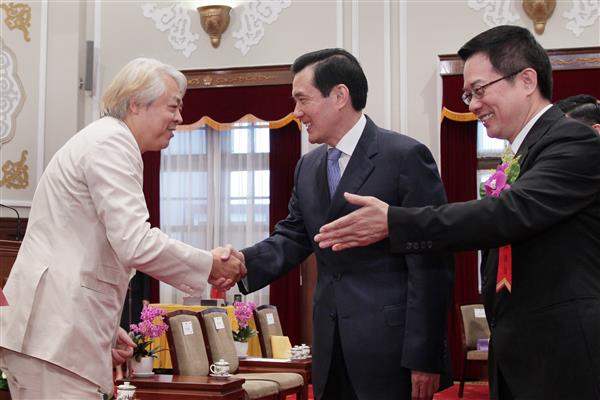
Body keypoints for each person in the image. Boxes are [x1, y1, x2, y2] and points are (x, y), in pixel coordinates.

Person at [315, 26, 600, 400]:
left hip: (565, 356)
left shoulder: (574, 141)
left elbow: (507, 214)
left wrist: (394, 221)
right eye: (468, 94)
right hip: (525, 355)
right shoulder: (525, 151)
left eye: (479, 90)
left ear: (527, 80)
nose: (472, 105)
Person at [0, 58, 246, 399]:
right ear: (135, 104)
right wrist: (210, 264)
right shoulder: (112, 144)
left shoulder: (106, 140)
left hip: (57, 332)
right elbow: (135, 243)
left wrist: (103, 328)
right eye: (173, 106)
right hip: (52, 338)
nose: (179, 117)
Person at [230, 49, 454, 400]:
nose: (296, 112)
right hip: (329, 346)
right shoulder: (308, 167)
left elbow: (432, 265)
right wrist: (241, 263)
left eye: (302, 99)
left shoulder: (405, 157)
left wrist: (425, 356)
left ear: (339, 96)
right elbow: (294, 236)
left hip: (390, 351)